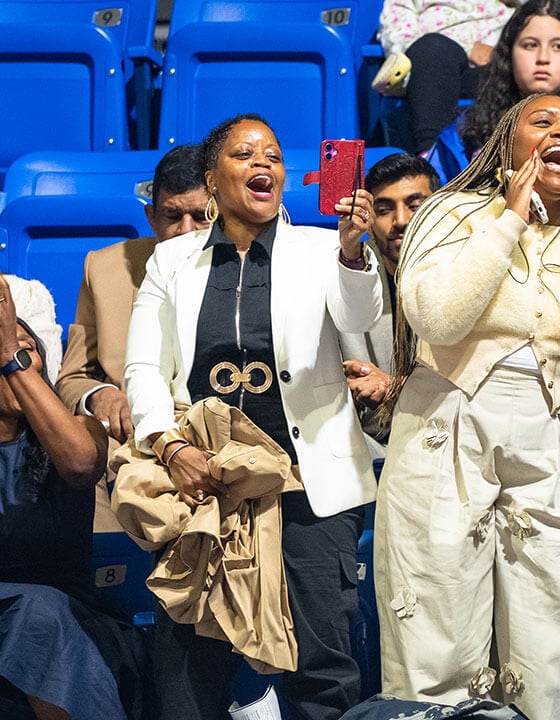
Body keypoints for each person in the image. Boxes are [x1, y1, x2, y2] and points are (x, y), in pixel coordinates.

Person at [375, 94, 560, 720]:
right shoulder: (447, 214)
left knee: (553, 653)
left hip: (553, 453)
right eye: (543, 123)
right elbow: (437, 317)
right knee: (436, 643)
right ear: (504, 147)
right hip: (444, 443)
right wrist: (508, 220)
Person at [125, 114, 381, 720]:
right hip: (206, 485)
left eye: (272, 155)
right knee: (192, 662)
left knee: (320, 663)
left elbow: (360, 315)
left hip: (309, 483)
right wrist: (170, 447)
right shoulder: (171, 261)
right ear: (212, 179)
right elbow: (143, 369)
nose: (264, 164)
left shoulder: (323, 249)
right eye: (245, 154)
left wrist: (351, 249)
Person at [0, 281, 138, 719]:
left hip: (70, 620)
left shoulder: (82, 433)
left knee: (38, 616)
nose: (18, 357)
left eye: (27, 348)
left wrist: (9, 359)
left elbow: (80, 465)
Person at [55, 145, 207, 532]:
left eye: (202, 217)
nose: (185, 230)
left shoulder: (250, 266)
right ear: (151, 217)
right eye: (173, 216)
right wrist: (99, 395)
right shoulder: (104, 268)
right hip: (129, 449)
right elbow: (71, 380)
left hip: (214, 444)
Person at [426, 0, 560, 213]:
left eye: (558, 47)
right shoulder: (471, 125)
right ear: (508, 55)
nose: (543, 58)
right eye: (530, 45)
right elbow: (443, 196)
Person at [339, 153, 440, 450]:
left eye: (415, 206)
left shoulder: (466, 274)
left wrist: (394, 388)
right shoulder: (344, 277)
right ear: (369, 221)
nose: (401, 221)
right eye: (384, 210)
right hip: (366, 449)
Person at [375, 0, 520, 154]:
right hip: (432, 70)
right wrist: (469, 49)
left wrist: (503, 56)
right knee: (432, 48)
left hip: (492, 70)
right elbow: (398, 37)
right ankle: (431, 156)